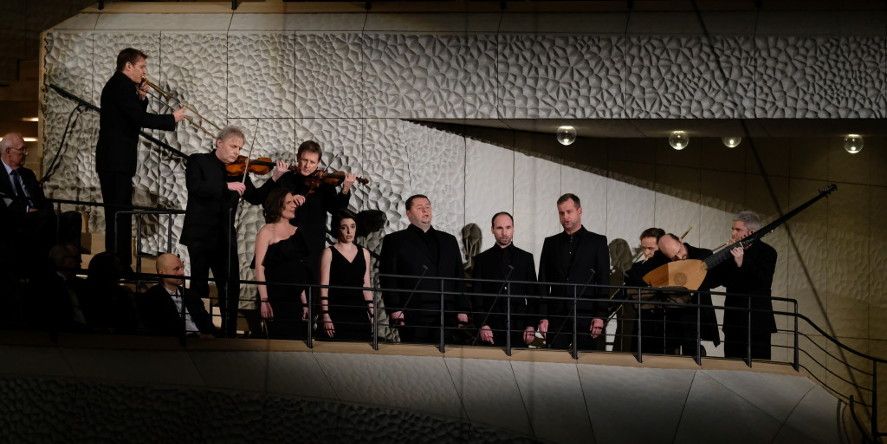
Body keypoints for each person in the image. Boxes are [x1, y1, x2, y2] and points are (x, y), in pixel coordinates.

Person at [180, 126, 281, 338]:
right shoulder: (198, 161)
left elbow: (255, 197)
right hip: (199, 233)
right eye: (233, 146)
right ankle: (200, 329)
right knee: (199, 283)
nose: (237, 151)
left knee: (230, 285)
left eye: (240, 147)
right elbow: (196, 187)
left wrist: (274, 178)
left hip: (224, 235)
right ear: (219, 143)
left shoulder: (240, 169)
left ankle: (228, 332)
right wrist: (227, 186)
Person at [95, 48, 186, 267]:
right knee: (118, 215)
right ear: (128, 66)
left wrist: (142, 98)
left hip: (118, 161)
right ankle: (118, 265)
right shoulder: (120, 85)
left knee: (121, 214)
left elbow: (130, 117)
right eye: (142, 67)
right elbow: (138, 118)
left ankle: (121, 263)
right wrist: (171, 118)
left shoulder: (124, 86)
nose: (145, 72)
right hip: (114, 160)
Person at [380, 194, 468, 344]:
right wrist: (395, 309)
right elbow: (388, 277)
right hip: (413, 312)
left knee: (444, 359)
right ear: (408, 214)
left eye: (428, 207)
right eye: (420, 208)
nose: (425, 211)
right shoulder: (394, 240)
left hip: (446, 311)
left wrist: (462, 309)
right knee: (416, 360)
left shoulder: (449, 240)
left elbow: (458, 277)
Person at [1, 133, 81, 276]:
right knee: (40, 219)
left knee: (73, 217)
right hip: (15, 218)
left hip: (38, 215)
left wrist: (45, 210)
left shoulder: (28, 174)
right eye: (22, 149)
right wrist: (27, 210)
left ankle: (70, 259)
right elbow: (4, 202)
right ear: (8, 152)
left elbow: (42, 201)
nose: (26, 153)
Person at [538, 193, 610, 352]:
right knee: (554, 364)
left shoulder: (598, 242)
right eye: (561, 213)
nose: (565, 217)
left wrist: (600, 315)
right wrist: (543, 316)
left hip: (587, 316)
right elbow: (543, 281)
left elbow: (603, 280)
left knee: (587, 367)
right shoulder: (550, 243)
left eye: (569, 212)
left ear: (579, 211)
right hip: (557, 317)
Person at [275, 140, 355, 262]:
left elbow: (336, 209)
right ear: (298, 158)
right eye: (304, 160)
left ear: (318, 163)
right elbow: (273, 205)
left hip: (312, 244)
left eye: (312, 162)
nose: (307, 166)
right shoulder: (286, 178)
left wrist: (345, 189)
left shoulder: (325, 184)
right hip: (286, 241)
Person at [713, 211, 777, 360]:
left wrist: (742, 262)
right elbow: (720, 281)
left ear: (751, 232)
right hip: (734, 320)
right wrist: (724, 256)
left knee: (759, 366)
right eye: (732, 229)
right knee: (731, 364)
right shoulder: (730, 252)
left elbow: (762, 282)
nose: (733, 233)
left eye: (738, 230)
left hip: (757, 322)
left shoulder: (768, 252)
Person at [471, 212, 539, 347]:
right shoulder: (481, 260)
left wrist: (531, 326)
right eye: (499, 228)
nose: (504, 233)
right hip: (491, 328)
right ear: (492, 230)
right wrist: (483, 324)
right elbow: (477, 296)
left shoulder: (526, 258)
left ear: (513, 228)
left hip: (519, 327)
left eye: (508, 227)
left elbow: (533, 295)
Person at [254, 188, 311, 340]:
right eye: (289, 202)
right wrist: (264, 300)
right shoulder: (266, 231)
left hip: (295, 300)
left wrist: (305, 304)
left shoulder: (297, 231)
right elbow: (259, 268)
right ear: (278, 205)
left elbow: (300, 272)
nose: (294, 205)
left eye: (294, 201)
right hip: (274, 297)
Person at [657, 233, 721, 355]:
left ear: (680, 241)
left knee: (693, 352)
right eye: (674, 257)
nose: (680, 257)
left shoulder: (703, 254)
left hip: (697, 312)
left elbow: (715, 281)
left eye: (679, 251)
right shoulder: (664, 261)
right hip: (673, 315)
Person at [318, 212, 375, 341]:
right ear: (337, 229)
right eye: (344, 227)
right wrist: (325, 315)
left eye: (353, 226)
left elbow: (366, 285)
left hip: (359, 311)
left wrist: (372, 313)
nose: (349, 231)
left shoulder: (364, 253)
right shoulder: (329, 252)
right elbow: (323, 287)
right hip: (336, 310)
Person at [139, 253, 214, 337]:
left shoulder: (191, 295)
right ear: (162, 273)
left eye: (182, 268)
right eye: (176, 269)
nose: (182, 272)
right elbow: (159, 329)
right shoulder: (152, 297)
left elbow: (207, 323)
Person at [623, 228, 668, 354]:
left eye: (651, 248)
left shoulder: (670, 265)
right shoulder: (636, 267)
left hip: (666, 325)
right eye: (644, 248)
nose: (646, 252)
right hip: (642, 322)